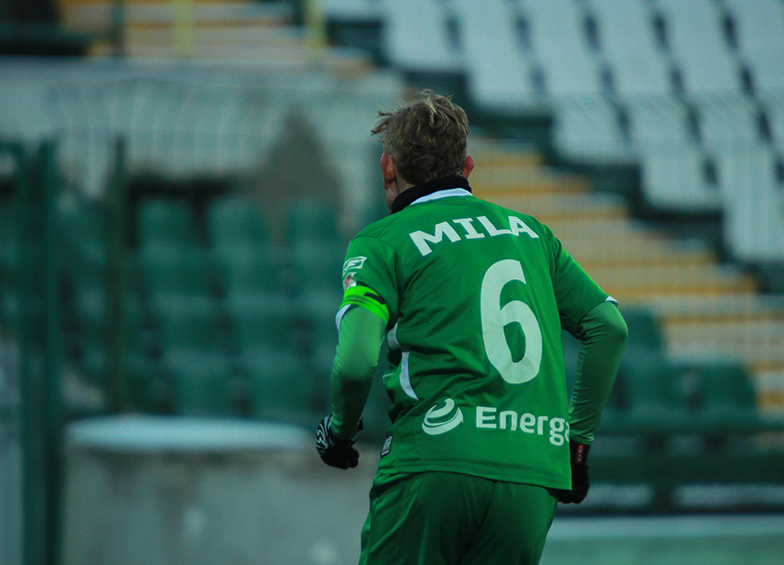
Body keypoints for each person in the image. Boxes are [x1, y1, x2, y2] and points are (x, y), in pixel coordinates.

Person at [316, 91, 628, 565]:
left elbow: (356, 361)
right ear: (467, 166)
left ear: (387, 168)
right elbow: (609, 328)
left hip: (433, 465)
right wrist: (576, 444)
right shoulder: (531, 234)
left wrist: (340, 432)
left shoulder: (382, 242)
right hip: (532, 471)